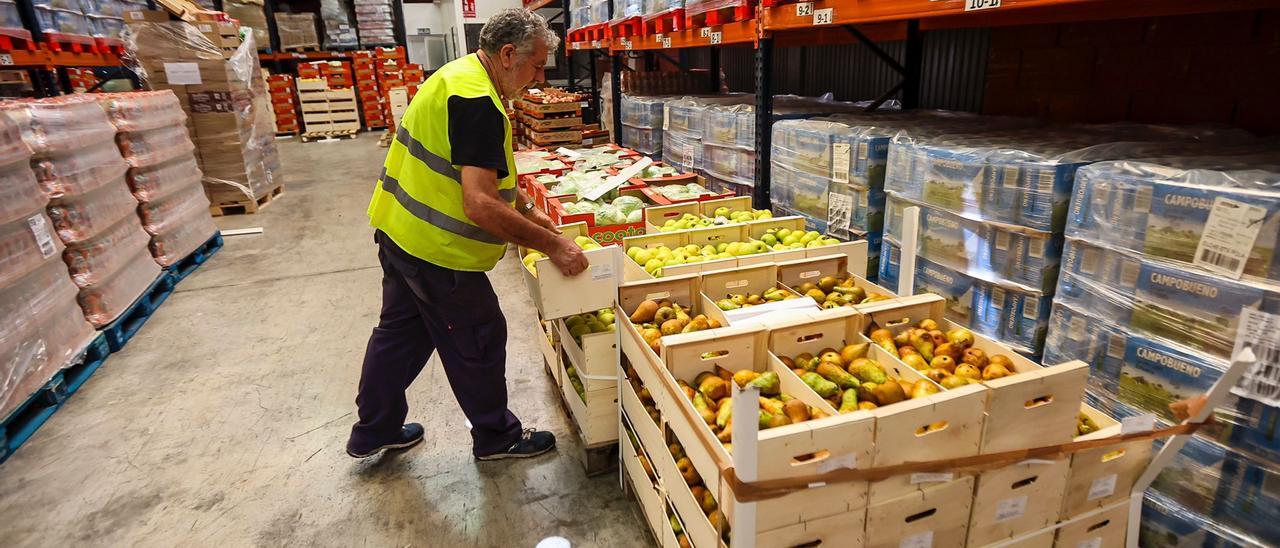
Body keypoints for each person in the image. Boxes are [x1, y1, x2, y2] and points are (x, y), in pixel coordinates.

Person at [348, 8, 589, 461]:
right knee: (478, 336)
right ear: (508, 53)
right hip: (439, 253)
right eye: (536, 65)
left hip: (399, 232)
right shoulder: (477, 100)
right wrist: (553, 244)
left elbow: (479, 174)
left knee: (400, 335)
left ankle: (373, 430)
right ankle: (497, 437)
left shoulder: (456, 76)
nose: (539, 77)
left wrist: (533, 217)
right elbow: (478, 203)